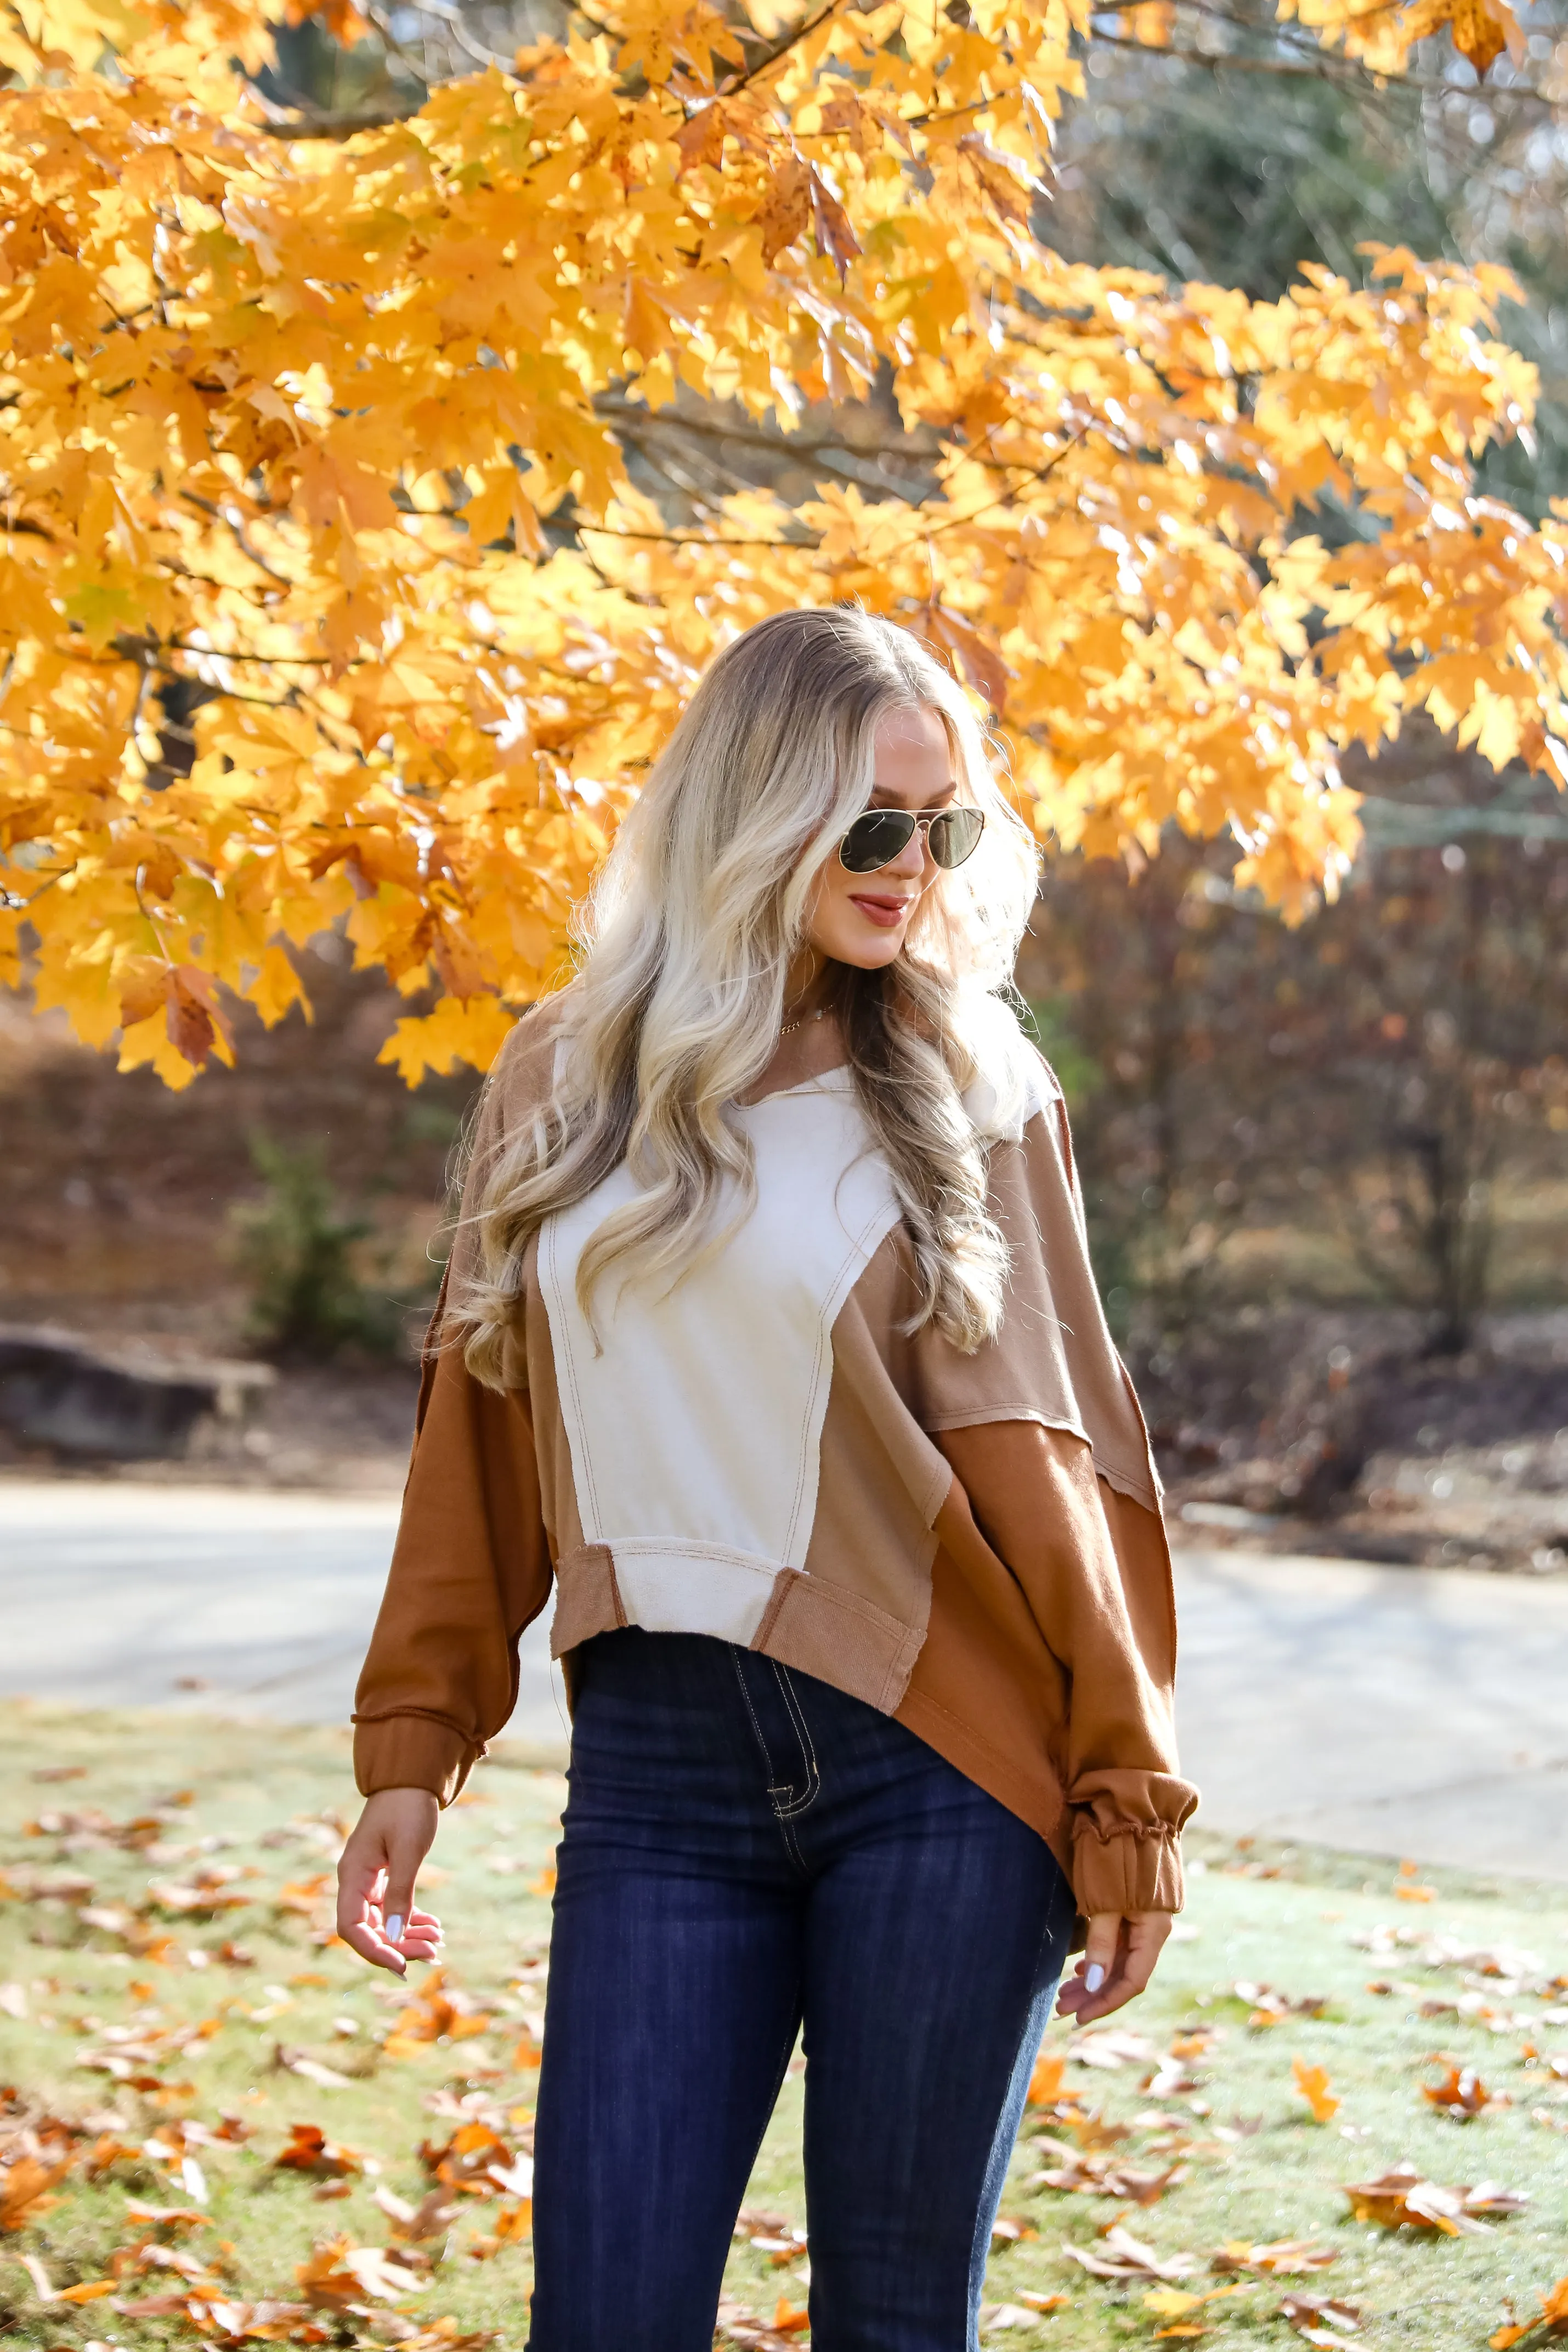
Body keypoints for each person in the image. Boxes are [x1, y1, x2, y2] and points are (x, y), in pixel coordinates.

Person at [335, 606, 1198, 2352]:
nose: (911, 870)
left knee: (893, 2322)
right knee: (608, 2315)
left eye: (942, 828)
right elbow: (479, 1431)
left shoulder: (973, 1085)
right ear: (753, 809)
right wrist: (417, 1745)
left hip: (941, 1774)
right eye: (871, 825)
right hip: (655, 1776)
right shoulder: (562, 1079)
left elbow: (1063, 1466)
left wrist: (1123, 1807)